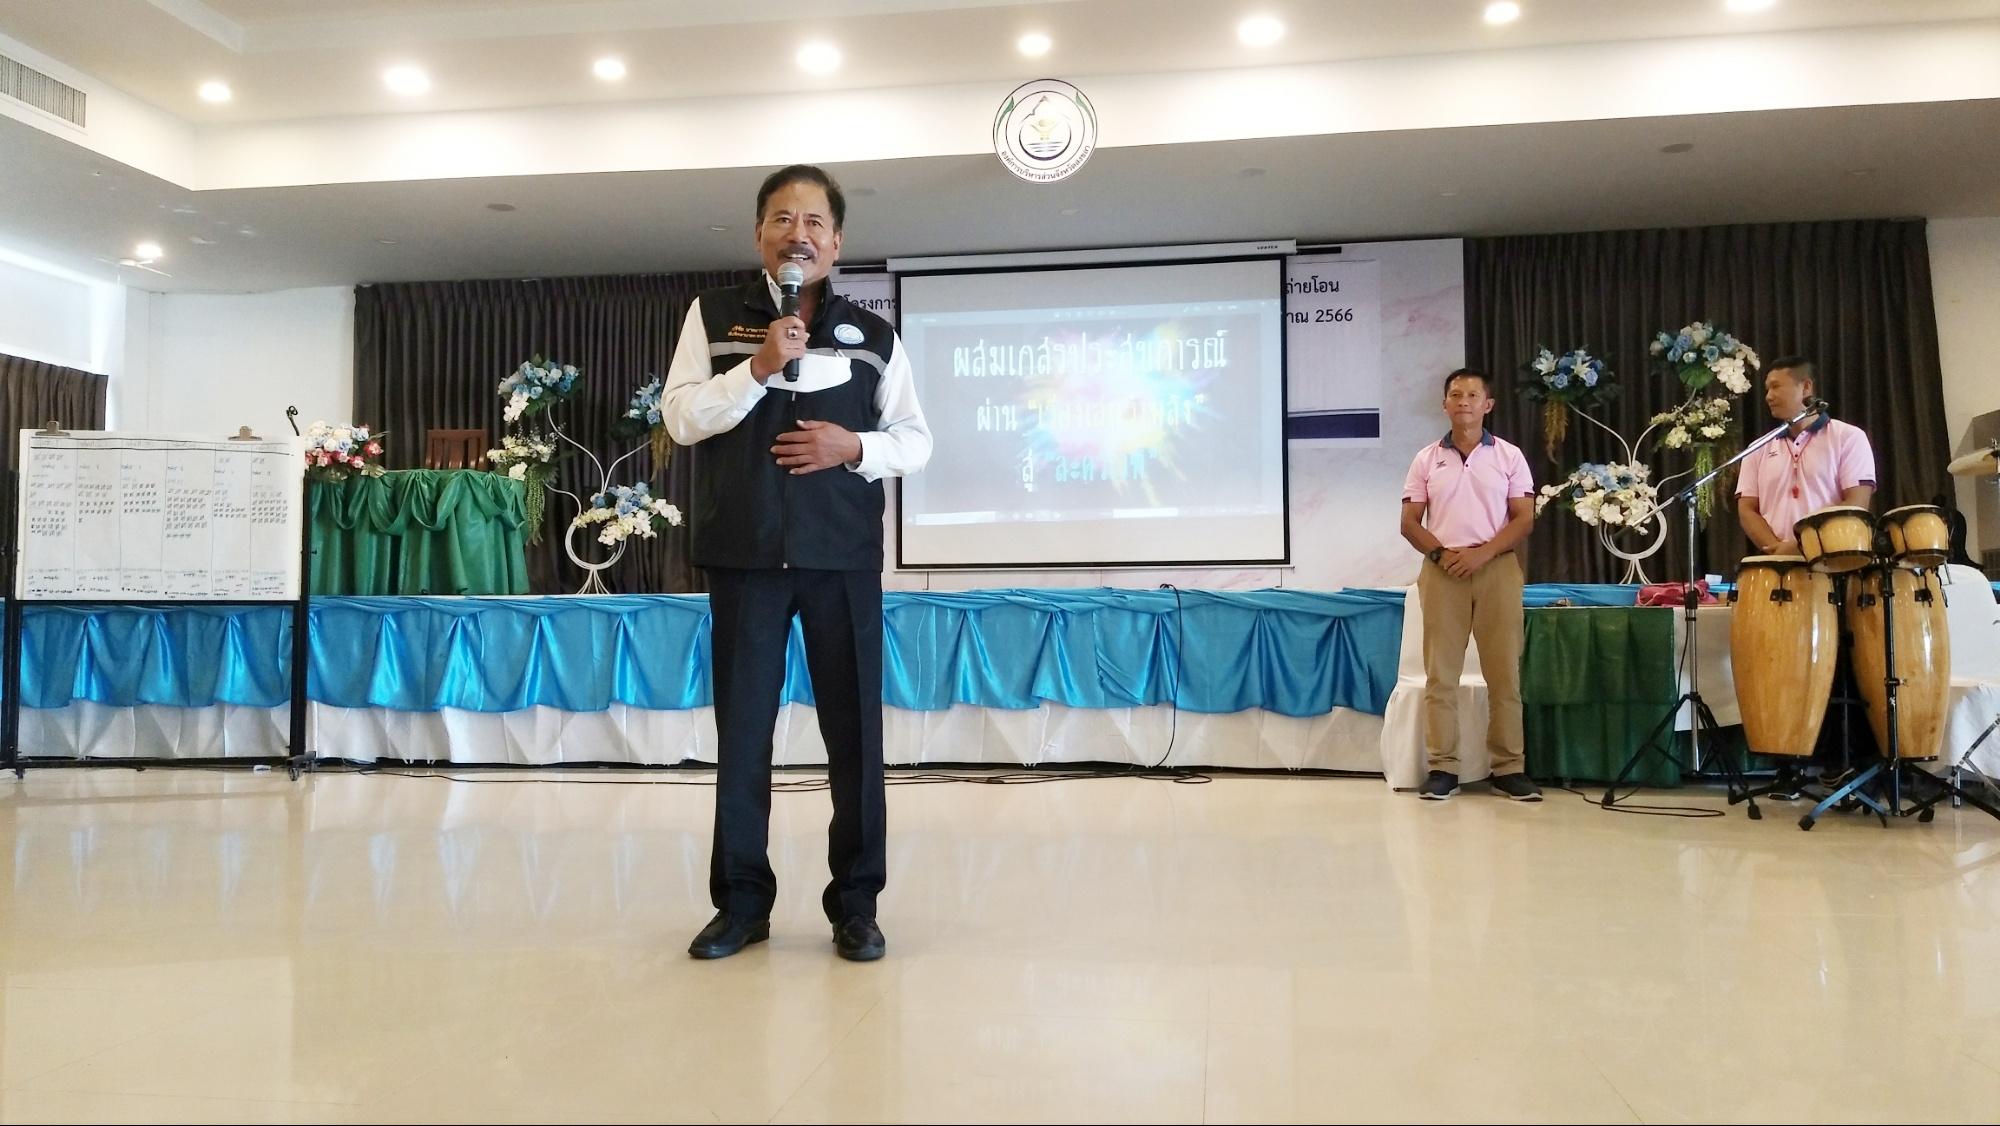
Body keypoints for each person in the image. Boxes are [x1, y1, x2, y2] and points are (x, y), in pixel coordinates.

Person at [659, 165, 932, 961]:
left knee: (855, 738)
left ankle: (857, 905)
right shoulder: (713, 316)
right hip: (743, 557)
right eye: (782, 220)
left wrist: (854, 447)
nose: (798, 235)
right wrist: (755, 369)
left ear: (837, 243)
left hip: (840, 559)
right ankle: (742, 904)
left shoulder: (874, 337)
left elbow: (915, 441)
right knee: (744, 737)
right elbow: (680, 419)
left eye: (814, 222)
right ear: (759, 235)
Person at [1398, 368, 1541, 801]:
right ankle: (1443, 768)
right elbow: (1409, 522)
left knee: (1504, 674)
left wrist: (1482, 554)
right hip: (1442, 570)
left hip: (1496, 568)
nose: (1464, 401)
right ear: (1445, 404)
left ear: (1488, 405)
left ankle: (1509, 768)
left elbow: (1524, 518)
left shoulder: (1510, 456)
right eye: (1456, 394)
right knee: (1441, 676)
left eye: (1473, 395)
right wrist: (1442, 555)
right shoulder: (1426, 459)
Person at [1736, 357, 1875, 556]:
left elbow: (1856, 504)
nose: (1768, 396)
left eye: (1775, 387)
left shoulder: (1848, 437)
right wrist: (1780, 552)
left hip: (1833, 560)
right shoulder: (1757, 447)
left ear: (1806, 387)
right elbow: (1747, 510)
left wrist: (1802, 545)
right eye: (1767, 389)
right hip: (1777, 564)